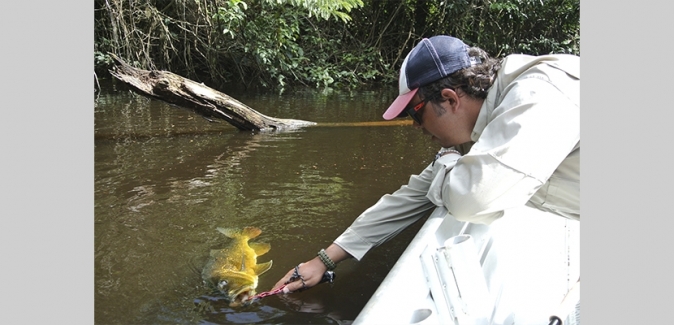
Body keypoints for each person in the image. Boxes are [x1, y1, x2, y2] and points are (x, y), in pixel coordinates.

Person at [271, 35, 580, 304]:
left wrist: (447, 163)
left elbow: (471, 200)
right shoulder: (476, 133)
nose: (415, 127)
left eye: (415, 114)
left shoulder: (539, 96)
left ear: (449, 98)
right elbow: (404, 200)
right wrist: (323, 261)